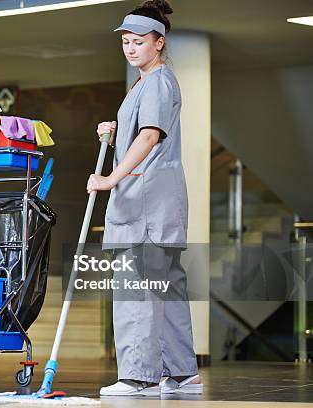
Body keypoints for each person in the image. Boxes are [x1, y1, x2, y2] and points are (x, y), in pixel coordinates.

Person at [86, 0, 203, 397]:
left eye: (139, 42)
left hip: (146, 207)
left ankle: (140, 377)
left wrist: (109, 179)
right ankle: (183, 374)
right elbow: (142, 131)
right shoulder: (149, 83)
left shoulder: (156, 81)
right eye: (126, 43)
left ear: (159, 42)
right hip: (158, 204)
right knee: (166, 289)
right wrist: (114, 133)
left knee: (138, 289)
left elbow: (151, 136)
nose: (131, 48)